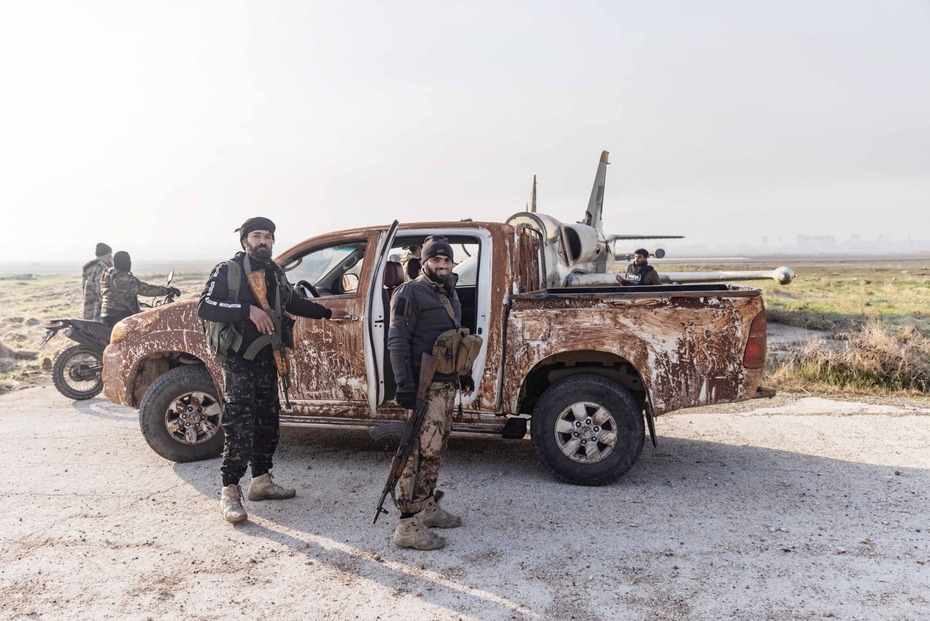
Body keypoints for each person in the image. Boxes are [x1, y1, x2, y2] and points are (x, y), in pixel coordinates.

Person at [198, 217, 349, 524]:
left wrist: (326, 312)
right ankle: (230, 492)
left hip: (270, 359)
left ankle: (261, 482)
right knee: (240, 426)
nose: (263, 241)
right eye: (257, 235)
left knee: (268, 424)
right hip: (239, 361)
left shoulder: (275, 272)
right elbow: (206, 305)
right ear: (245, 241)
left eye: (268, 236)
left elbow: (293, 302)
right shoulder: (228, 270)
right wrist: (248, 310)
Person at [387, 235, 475, 550]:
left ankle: (426, 508)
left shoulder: (448, 292)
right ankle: (408, 526)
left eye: (446, 260)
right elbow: (397, 342)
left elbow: (454, 340)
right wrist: (406, 390)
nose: (442, 264)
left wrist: (464, 375)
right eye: (435, 260)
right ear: (423, 262)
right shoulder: (410, 292)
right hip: (424, 389)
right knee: (418, 454)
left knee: (435, 452)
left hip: (445, 385)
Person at [100, 251, 181, 327]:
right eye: (128, 261)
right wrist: (168, 290)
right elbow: (146, 289)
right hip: (120, 315)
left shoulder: (108, 274)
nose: (130, 263)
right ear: (125, 262)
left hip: (106, 313)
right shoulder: (126, 278)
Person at [81, 243, 112, 321]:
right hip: (98, 311)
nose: (111, 258)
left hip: (88, 308)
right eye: (110, 255)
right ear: (106, 256)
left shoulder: (90, 267)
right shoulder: (101, 268)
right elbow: (100, 290)